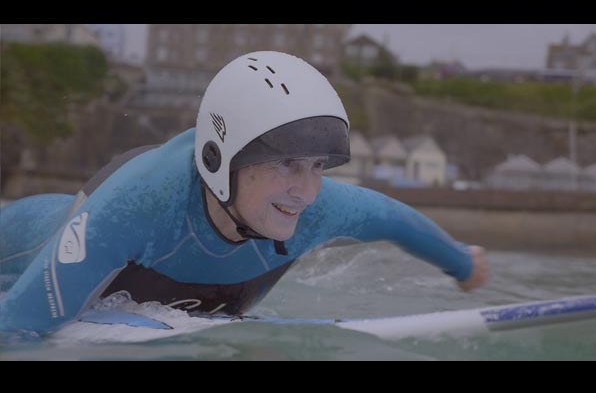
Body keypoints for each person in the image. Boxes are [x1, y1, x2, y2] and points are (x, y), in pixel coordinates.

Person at [0, 51, 487, 335]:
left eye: (318, 165)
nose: (306, 192)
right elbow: (18, 330)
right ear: (219, 160)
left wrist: (463, 264)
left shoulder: (318, 209)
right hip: (20, 247)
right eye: (286, 163)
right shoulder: (139, 205)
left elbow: (393, 219)